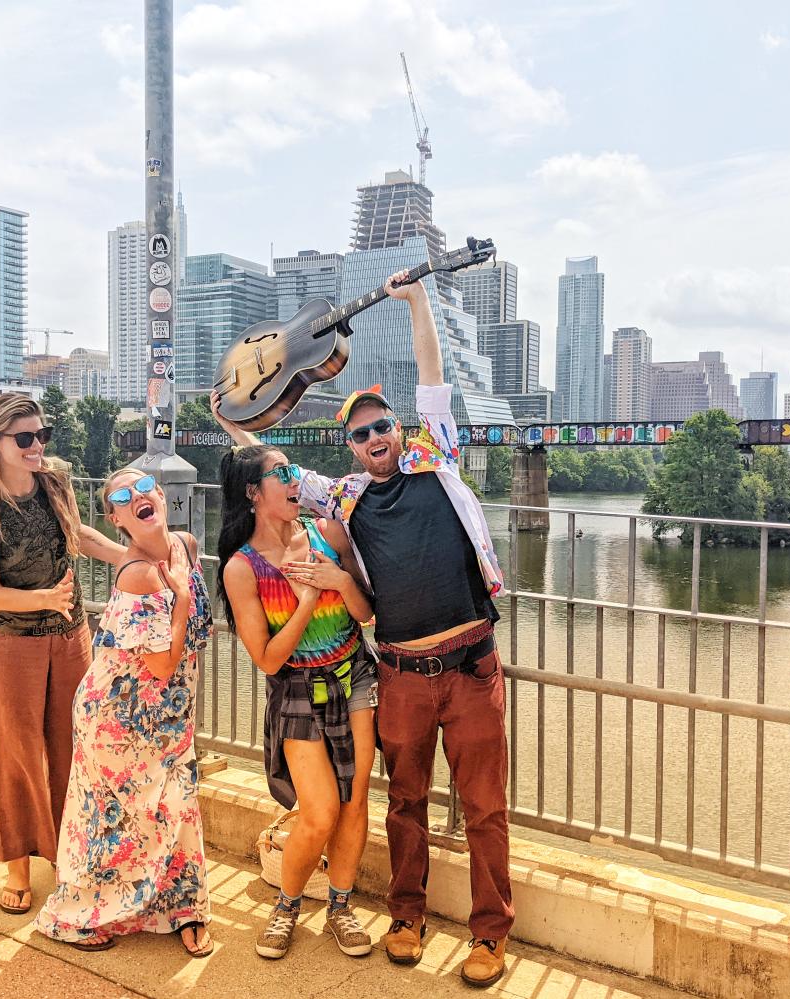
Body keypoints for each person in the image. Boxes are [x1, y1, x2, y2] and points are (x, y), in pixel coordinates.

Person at [212, 270, 514, 988]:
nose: (375, 436)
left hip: (470, 665)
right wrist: (234, 405)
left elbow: (433, 375)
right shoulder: (343, 497)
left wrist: (415, 301)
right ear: (349, 445)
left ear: (400, 430)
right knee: (403, 804)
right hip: (401, 674)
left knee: (483, 807)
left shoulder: (435, 461)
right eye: (361, 432)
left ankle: (490, 932)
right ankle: (405, 916)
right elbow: (268, 468)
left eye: (383, 425)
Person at [0, 393, 124, 918]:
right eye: (24, 438)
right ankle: (19, 867)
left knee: (76, 746)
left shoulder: (54, 479)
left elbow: (77, 535)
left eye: (42, 435)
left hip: (71, 636)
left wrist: (129, 554)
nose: (37, 446)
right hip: (11, 643)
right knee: (16, 754)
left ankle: (69, 855)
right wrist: (43, 598)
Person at [34, 466, 214, 957]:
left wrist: (187, 604)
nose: (137, 496)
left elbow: (198, 627)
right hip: (119, 716)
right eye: (122, 496)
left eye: (142, 487)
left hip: (169, 711)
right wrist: (178, 597)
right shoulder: (137, 574)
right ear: (117, 519)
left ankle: (182, 907)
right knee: (117, 817)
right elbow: (160, 663)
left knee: (174, 808)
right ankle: (83, 914)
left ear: (160, 495)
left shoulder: (186, 546)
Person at [217, 444, 377, 961]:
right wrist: (307, 599)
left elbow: (366, 615)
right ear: (251, 493)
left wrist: (340, 580)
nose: (294, 482)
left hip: (355, 679)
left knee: (354, 803)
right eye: (281, 474)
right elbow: (265, 659)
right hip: (297, 691)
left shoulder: (326, 535)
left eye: (293, 472)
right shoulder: (242, 568)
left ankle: (340, 906)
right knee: (320, 810)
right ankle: (286, 905)